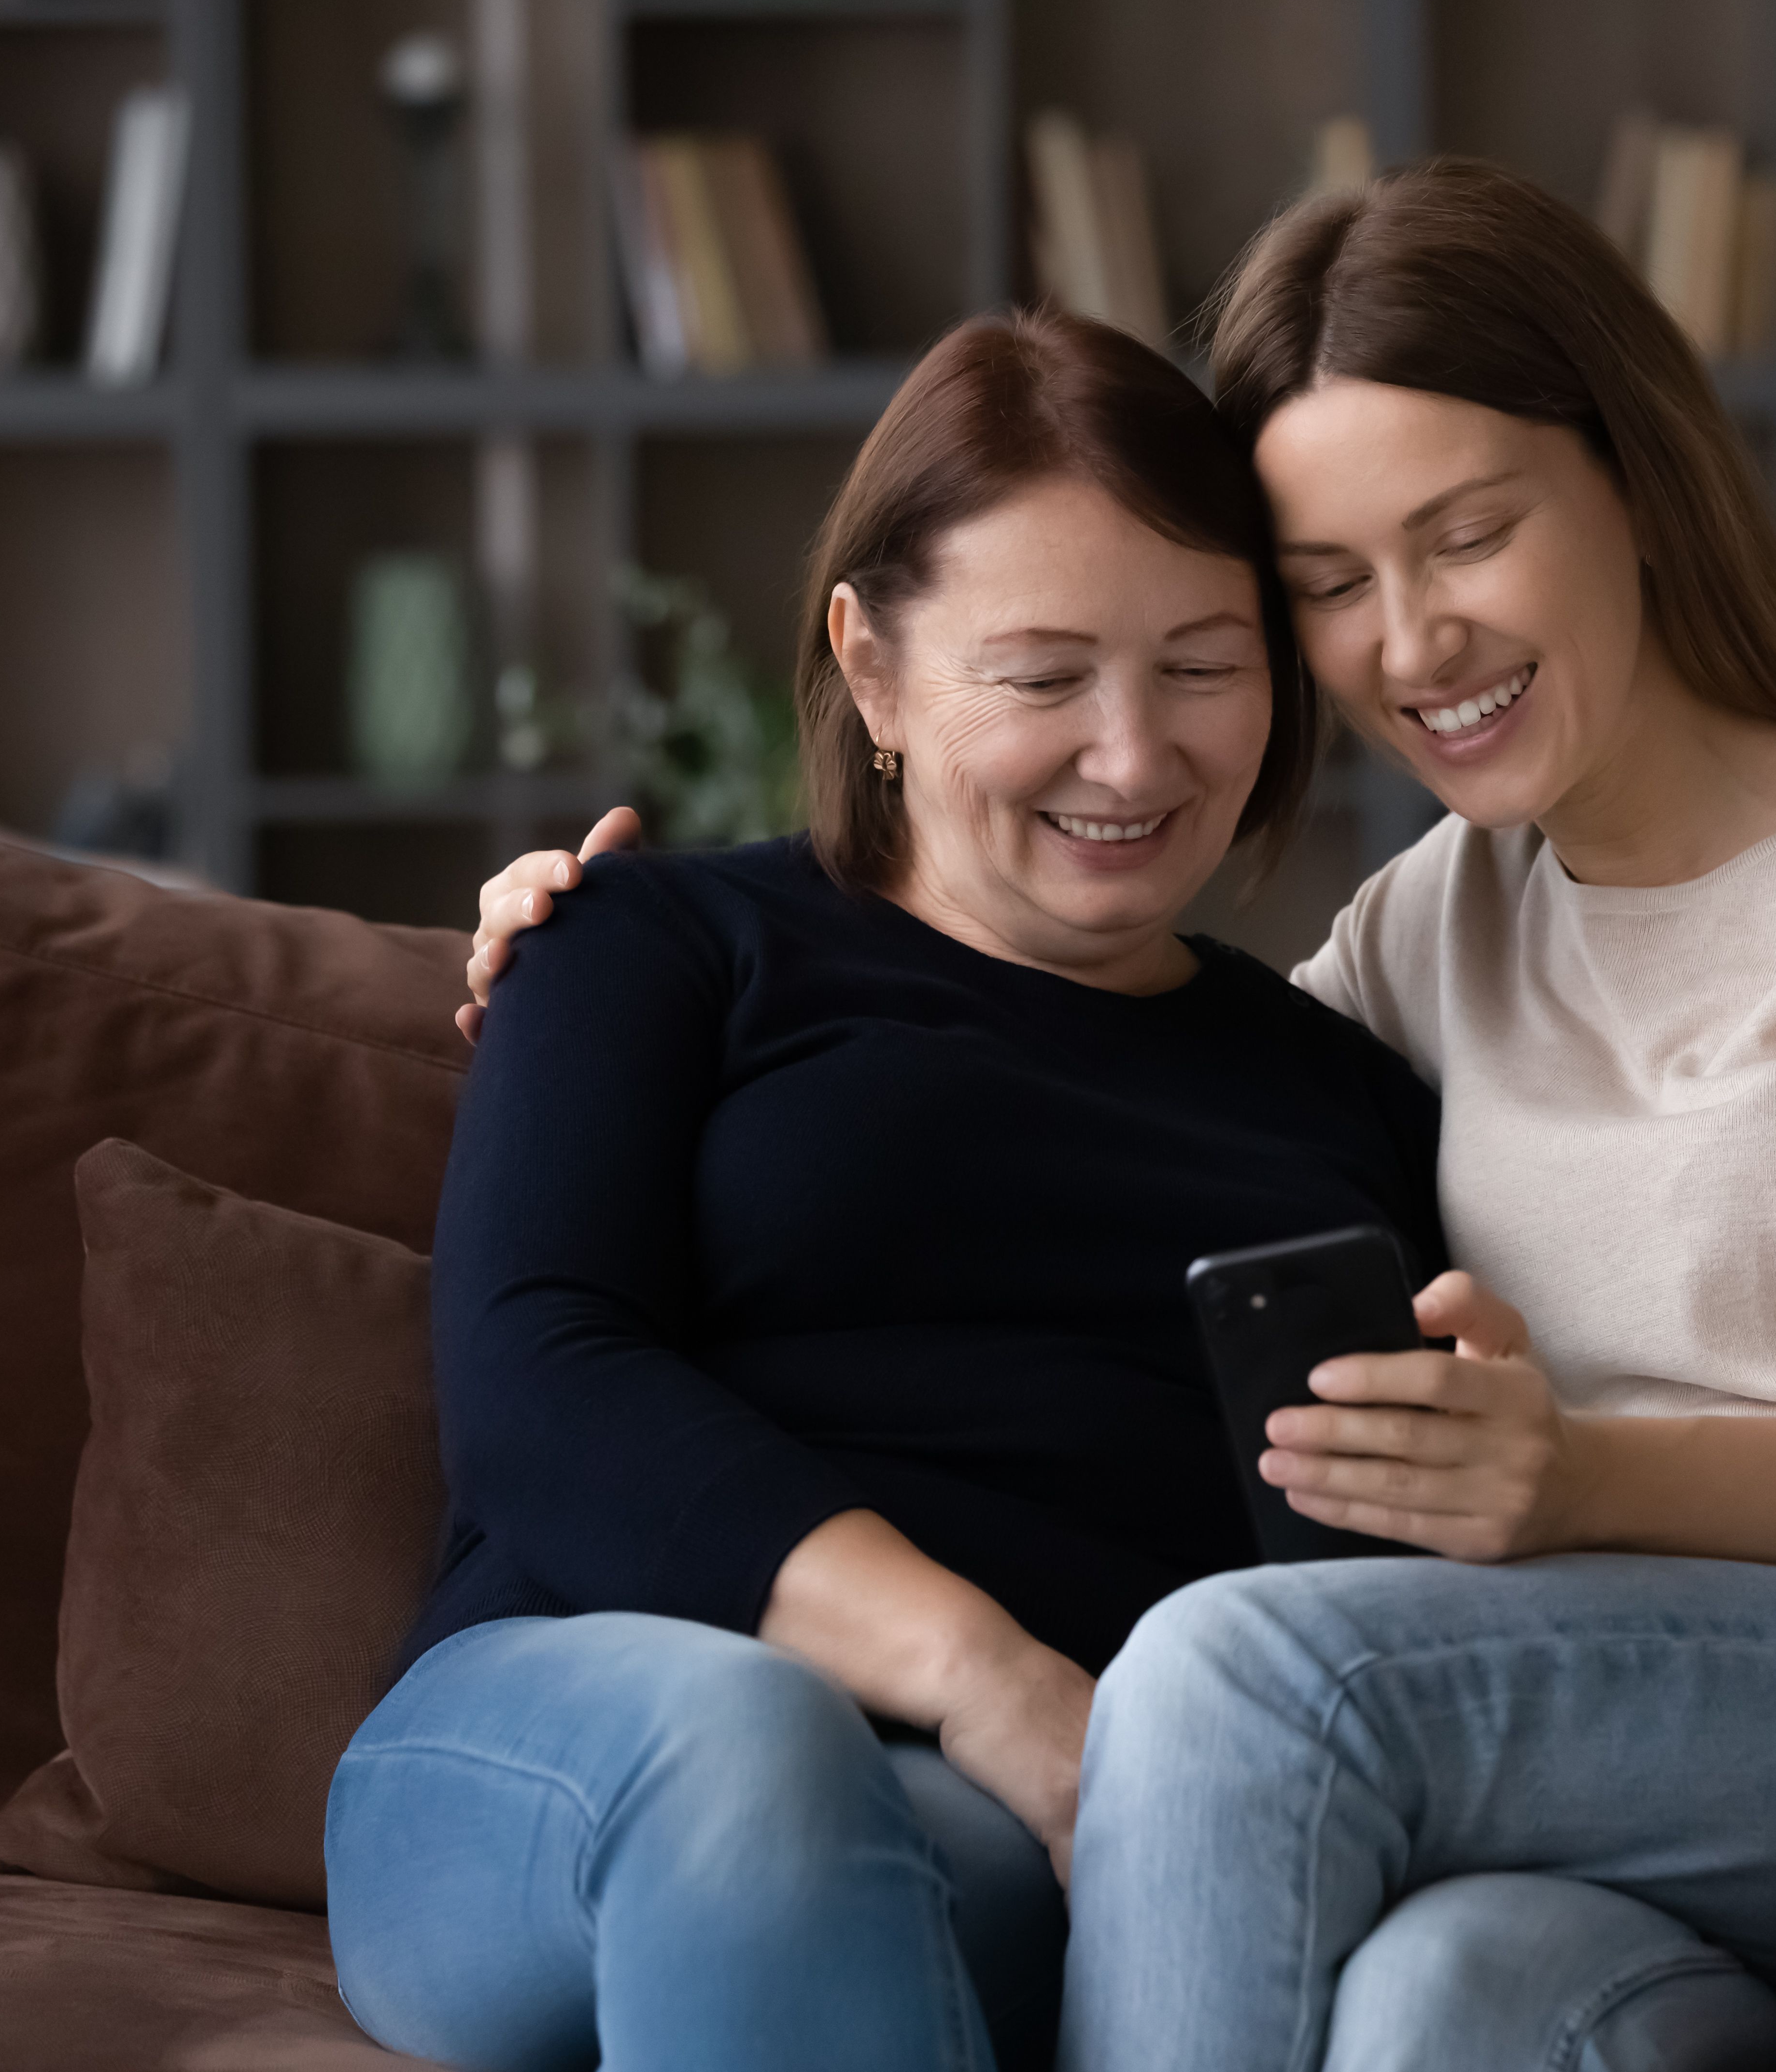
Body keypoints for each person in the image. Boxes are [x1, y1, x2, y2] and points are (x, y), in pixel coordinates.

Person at [468, 162, 1776, 2072]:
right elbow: (1096, 1120)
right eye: (1329, 586)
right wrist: (585, 948)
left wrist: (1580, 1480)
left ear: (1638, 479)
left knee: (1228, 1674)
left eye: (1468, 536)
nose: (1413, 641)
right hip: (1629, 1766)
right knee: (1436, 2003)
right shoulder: (1416, 945)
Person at [327, 309, 1448, 2072]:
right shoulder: (652, 945)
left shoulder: (1348, 1094)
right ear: (872, 668)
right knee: (758, 1747)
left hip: (1026, 1836)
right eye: (1043, 676)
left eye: (1202, 665)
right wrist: (989, 1674)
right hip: (568, 1743)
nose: (1134, 755)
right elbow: (536, 1382)